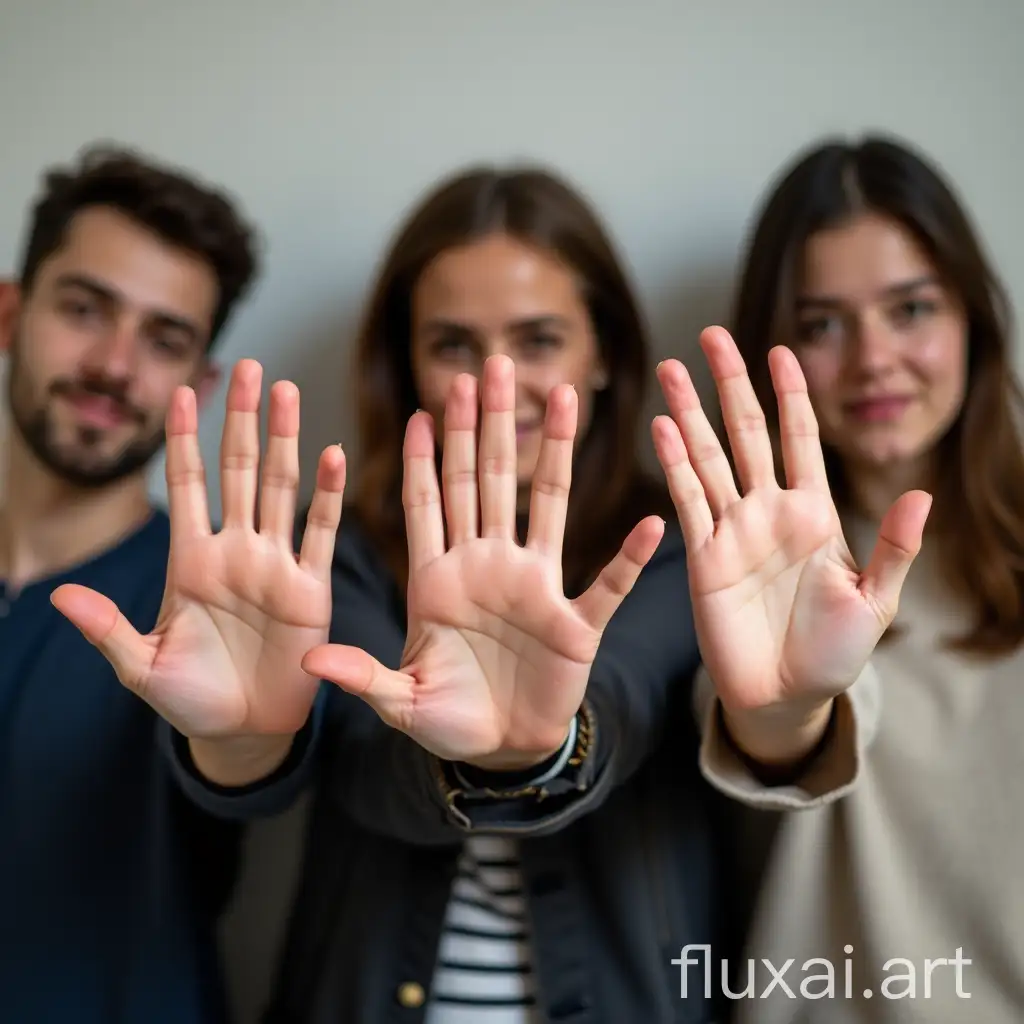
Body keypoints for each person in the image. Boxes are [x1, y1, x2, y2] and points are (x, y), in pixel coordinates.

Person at [60, 164, 922, 1023]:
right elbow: (361, 761)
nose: (497, 379)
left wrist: (541, 749)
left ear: (605, 356)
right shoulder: (340, 551)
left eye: (539, 338)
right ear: (408, 368)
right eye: (452, 344)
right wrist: (241, 744)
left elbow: (624, 704)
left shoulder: (682, 549)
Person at [662, 133, 1024, 1022]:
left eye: (910, 310)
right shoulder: (732, 563)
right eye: (822, 324)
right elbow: (778, 728)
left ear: (973, 318)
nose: (872, 360)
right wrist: (785, 707)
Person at [0, 144, 259, 1023]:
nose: (115, 365)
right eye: (84, 308)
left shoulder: (223, 608)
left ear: (202, 384)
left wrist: (245, 734)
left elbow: (246, 761)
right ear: (10, 313)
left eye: (165, 339)